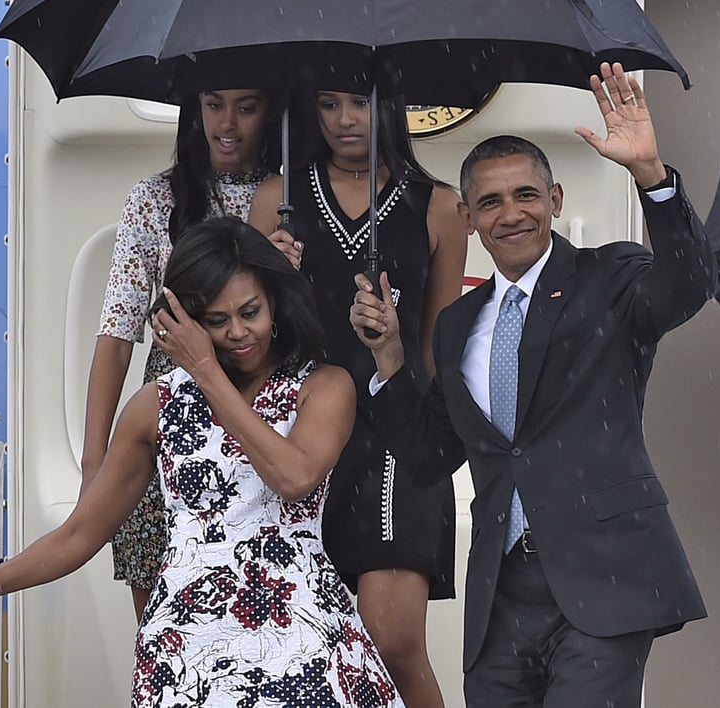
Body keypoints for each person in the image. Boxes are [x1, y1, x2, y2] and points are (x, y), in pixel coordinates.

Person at [0, 217, 406, 708]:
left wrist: (206, 372)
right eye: (216, 320)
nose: (239, 333)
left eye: (251, 312)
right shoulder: (155, 406)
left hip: (301, 638)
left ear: (275, 303)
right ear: (184, 318)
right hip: (186, 647)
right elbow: (79, 536)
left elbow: (294, 477)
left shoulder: (324, 384)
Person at [349, 62, 718, 708]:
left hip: (603, 575)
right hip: (501, 596)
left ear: (555, 201)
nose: (510, 213)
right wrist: (388, 362)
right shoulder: (457, 324)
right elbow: (433, 453)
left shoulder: (610, 277)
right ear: (467, 217)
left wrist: (651, 178)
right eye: (489, 201)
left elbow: (687, 285)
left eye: (525, 195)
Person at [249, 89, 468, 707]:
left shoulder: (441, 205)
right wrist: (270, 274)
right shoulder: (275, 199)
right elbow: (242, 334)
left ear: (392, 106)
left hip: (397, 433)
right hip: (300, 432)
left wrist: (436, 442)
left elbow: (437, 347)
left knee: (393, 639)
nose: (345, 119)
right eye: (327, 103)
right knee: (292, 645)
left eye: (361, 103)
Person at [83, 88, 281, 621]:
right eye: (213, 104)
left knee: (262, 615)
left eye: (248, 105)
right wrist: (93, 464)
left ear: (273, 112)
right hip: (170, 415)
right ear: (194, 112)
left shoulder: (294, 197)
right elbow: (117, 332)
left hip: (264, 410)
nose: (228, 122)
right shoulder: (154, 198)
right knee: (162, 624)